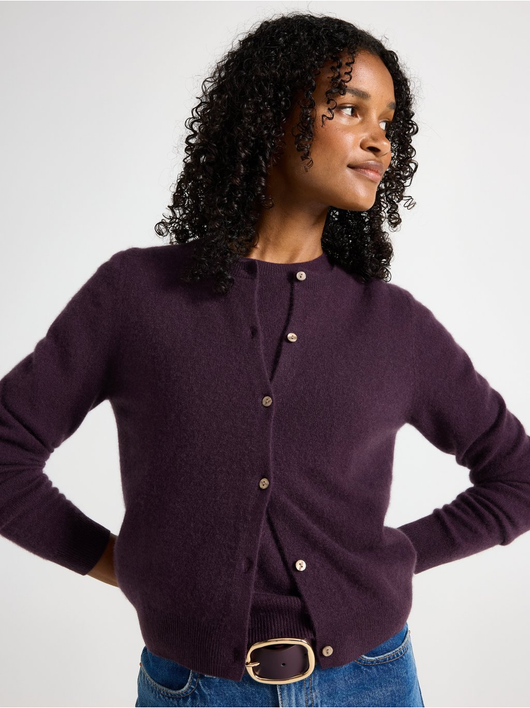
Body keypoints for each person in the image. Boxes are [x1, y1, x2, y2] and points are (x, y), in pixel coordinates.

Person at [2, 11, 530, 708]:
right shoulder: (135, 295)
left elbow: (517, 477)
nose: (380, 139)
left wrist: (388, 561)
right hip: (194, 690)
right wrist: (124, 565)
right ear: (271, 114)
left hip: (373, 683)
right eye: (350, 108)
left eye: (388, 121)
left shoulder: (393, 323)